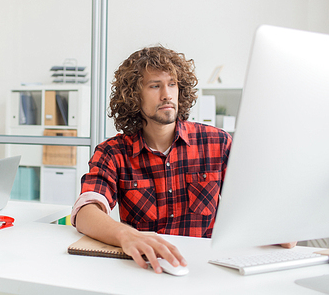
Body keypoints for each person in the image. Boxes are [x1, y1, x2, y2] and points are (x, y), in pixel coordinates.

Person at [71, 45, 231, 274]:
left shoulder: (218, 143)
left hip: (206, 270)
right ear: (134, 97)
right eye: (155, 86)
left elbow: (251, 205)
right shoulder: (113, 152)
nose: (167, 94)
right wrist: (125, 235)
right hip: (144, 270)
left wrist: (276, 232)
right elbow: (86, 211)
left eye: (172, 84)